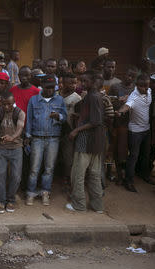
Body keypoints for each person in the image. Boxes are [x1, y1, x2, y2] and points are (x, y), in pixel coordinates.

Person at [66, 71, 105, 213]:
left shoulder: (92, 96)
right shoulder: (94, 96)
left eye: (85, 81)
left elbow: (95, 121)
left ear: (93, 82)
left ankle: (79, 205)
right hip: (97, 143)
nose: (82, 84)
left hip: (86, 141)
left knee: (78, 174)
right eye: (81, 81)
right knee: (94, 175)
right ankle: (97, 206)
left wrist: (76, 130)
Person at [25, 74, 66, 206]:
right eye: (47, 87)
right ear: (42, 86)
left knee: (49, 168)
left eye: (51, 87)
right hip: (37, 138)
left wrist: (58, 116)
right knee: (34, 168)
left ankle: (45, 192)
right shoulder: (33, 100)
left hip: (53, 138)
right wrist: (28, 136)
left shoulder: (60, 100)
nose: (49, 90)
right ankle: (31, 193)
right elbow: (29, 120)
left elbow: (65, 117)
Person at [0, 91, 25, 213]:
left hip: (16, 147)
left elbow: (20, 128)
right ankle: (0, 201)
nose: (6, 107)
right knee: (0, 175)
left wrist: (13, 137)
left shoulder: (20, 113)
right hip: (2, 148)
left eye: (9, 104)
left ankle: (11, 200)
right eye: (4, 104)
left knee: (16, 176)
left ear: (14, 102)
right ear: (1, 103)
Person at [117, 73, 153, 192]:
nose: (146, 88)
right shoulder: (133, 96)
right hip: (135, 132)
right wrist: (120, 112)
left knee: (145, 155)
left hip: (146, 130)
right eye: (143, 86)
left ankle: (143, 175)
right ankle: (128, 181)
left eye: (147, 86)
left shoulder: (149, 91)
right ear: (137, 86)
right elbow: (127, 106)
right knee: (133, 156)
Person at [108, 66, 137, 184]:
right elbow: (108, 101)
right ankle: (109, 172)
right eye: (128, 75)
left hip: (128, 124)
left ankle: (120, 174)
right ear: (124, 74)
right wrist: (118, 101)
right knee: (111, 148)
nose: (129, 78)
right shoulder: (115, 87)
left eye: (132, 76)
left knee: (123, 151)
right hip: (114, 122)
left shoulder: (135, 89)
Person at [59, 73, 81, 187]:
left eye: (75, 83)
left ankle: (68, 179)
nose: (73, 85)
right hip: (57, 130)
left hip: (69, 130)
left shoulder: (77, 98)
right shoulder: (58, 95)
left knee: (68, 157)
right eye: (70, 83)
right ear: (64, 83)